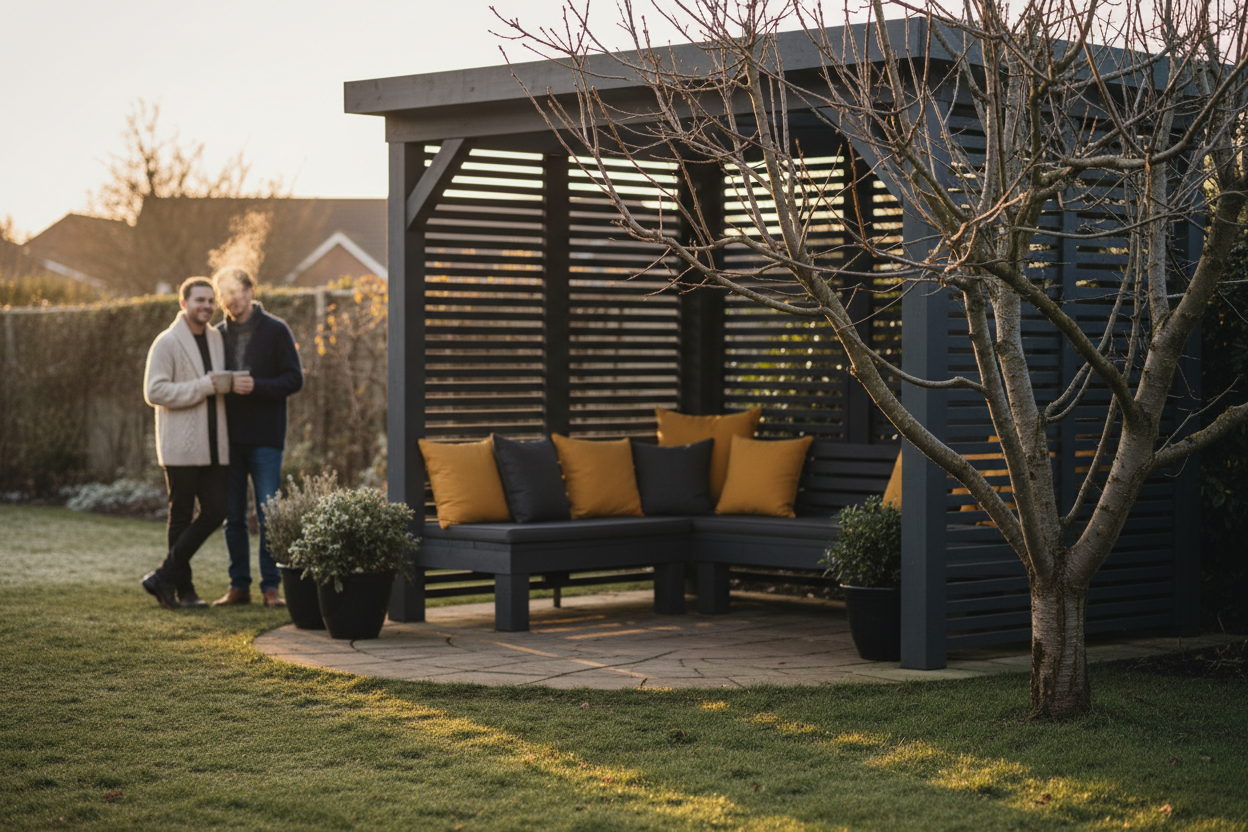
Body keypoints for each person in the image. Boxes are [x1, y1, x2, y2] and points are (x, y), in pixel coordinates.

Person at [211, 266, 303, 607]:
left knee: (269, 515)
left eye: (238, 291)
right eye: (226, 293)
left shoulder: (276, 330)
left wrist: (259, 386)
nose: (233, 299)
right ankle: (239, 587)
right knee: (232, 516)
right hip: (228, 439)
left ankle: (271, 588)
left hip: (265, 438)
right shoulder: (216, 334)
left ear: (251, 291)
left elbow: (295, 379)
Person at [141, 277, 231, 610]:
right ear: (184, 303)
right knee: (180, 517)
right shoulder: (166, 342)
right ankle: (185, 591)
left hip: (214, 443)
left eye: (211, 300)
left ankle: (163, 577)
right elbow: (154, 392)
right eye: (199, 300)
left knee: (216, 511)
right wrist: (202, 386)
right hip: (181, 444)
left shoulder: (217, 339)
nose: (206, 306)